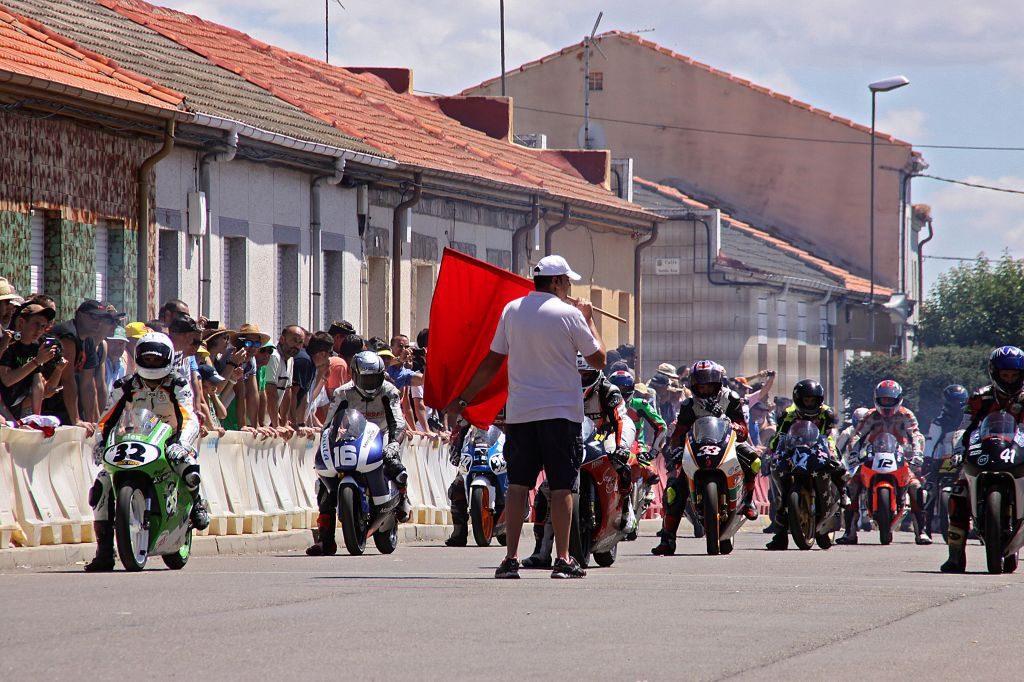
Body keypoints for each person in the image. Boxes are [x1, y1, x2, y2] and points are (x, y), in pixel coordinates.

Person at [446, 254, 605, 579]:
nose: (570, 287)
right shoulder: (570, 314)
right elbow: (599, 359)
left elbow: (491, 363)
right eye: (568, 282)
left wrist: (463, 399)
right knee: (561, 488)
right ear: (558, 282)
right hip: (561, 415)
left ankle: (510, 558)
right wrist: (589, 319)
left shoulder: (513, 310)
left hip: (521, 414)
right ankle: (563, 559)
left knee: (518, 486)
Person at [84, 332, 210, 572]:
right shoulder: (125, 385)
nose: (152, 363)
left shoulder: (178, 383)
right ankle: (104, 552)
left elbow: (188, 416)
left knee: (188, 467)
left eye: (156, 359)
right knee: (101, 485)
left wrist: (182, 442)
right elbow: (107, 418)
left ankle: (197, 503)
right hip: (136, 437)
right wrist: (100, 443)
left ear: (168, 359)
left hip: (170, 438)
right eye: (147, 359)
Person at [521, 356, 635, 568]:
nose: (582, 378)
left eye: (586, 374)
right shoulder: (560, 389)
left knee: (621, 462)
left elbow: (620, 420)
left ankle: (626, 510)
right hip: (573, 439)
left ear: (595, 373)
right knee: (546, 491)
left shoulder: (608, 391)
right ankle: (542, 550)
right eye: (578, 374)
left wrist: (622, 446)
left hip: (604, 436)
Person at [652, 360, 761, 556]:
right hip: (697, 448)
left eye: (709, 384)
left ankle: (748, 501)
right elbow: (679, 433)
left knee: (754, 459)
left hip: (729, 444)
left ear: (717, 383)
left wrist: (733, 425)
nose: (704, 388)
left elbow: (743, 430)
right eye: (700, 385)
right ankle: (667, 539)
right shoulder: (688, 405)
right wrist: (676, 449)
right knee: (674, 491)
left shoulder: (731, 398)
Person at [306, 351, 409, 555]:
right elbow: (328, 425)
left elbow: (397, 422)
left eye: (375, 377)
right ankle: (325, 540)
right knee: (325, 485)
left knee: (394, 465)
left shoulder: (389, 391)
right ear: (355, 375)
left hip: (382, 436)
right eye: (366, 378)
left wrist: (393, 444)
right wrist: (325, 446)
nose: (371, 382)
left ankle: (403, 500)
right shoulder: (343, 393)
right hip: (353, 437)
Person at [941, 348, 1024, 572]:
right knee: (957, 494)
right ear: (995, 373)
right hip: (985, 452)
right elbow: (964, 426)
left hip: (1019, 454)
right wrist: (958, 449)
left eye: (1014, 375)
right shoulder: (980, 397)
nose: (1009, 380)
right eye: (1005, 375)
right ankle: (955, 555)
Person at [839, 380, 930, 545]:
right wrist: (853, 453)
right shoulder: (870, 415)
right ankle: (850, 532)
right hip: (873, 456)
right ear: (877, 399)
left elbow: (916, 435)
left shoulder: (906, 415)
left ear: (899, 399)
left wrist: (917, 454)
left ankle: (920, 531)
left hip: (901, 458)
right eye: (884, 400)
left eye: (890, 400)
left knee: (916, 488)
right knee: (852, 487)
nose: (887, 404)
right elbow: (857, 435)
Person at [764, 379, 850, 550]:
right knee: (776, 469)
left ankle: (843, 492)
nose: (809, 403)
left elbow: (827, 435)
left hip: (820, 445)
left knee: (838, 464)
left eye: (812, 400)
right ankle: (780, 535)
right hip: (794, 448)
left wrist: (829, 451)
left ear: (819, 400)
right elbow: (780, 435)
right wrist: (773, 450)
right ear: (798, 399)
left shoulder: (827, 413)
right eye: (806, 400)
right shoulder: (788, 414)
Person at [0, 303, 64, 419]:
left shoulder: (36, 347)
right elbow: (6, 380)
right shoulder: (8, 344)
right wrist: (36, 361)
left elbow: (37, 384)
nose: (39, 330)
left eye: (43, 326)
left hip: (16, 407)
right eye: (36, 324)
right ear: (21, 323)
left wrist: (36, 418)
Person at [922, 385, 969, 537]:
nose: (955, 407)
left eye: (958, 403)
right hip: (943, 459)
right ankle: (925, 528)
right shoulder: (938, 422)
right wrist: (927, 459)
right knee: (929, 489)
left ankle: (985, 522)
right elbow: (931, 440)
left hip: (966, 458)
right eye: (952, 403)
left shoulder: (971, 419)